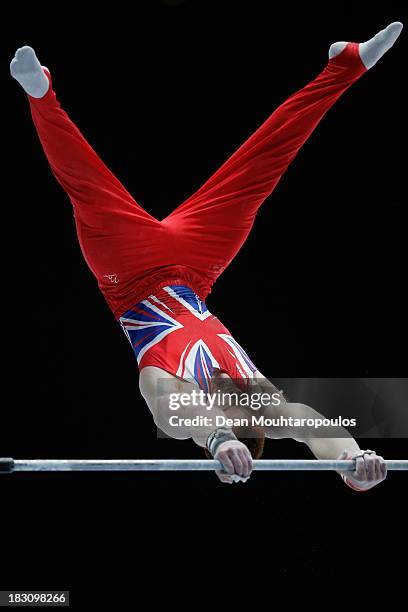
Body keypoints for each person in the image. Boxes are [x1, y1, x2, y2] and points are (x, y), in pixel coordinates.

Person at [10, 22, 402, 486]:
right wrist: (356, 463)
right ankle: (345, 65)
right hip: (197, 267)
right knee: (263, 165)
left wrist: (217, 438)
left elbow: (176, 415)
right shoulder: (257, 397)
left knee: (86, 185)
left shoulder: (164, 384)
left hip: (127, 274)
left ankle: (42, 96)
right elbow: (308, 422)